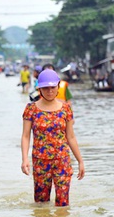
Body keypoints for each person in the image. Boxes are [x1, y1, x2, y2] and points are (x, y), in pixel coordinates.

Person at [21, 69, 84, 206]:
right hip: (40, 162)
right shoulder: (31, 109)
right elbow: (26, 136)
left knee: (63, 204)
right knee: (41, 204)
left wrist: (80, 161)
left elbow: (71, 137)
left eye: (52, 87)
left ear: (58, 86)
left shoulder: (66, 109)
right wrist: (25, 159)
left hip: (62, 161)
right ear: (39, 89)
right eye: (46, 88)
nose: (49, 91)